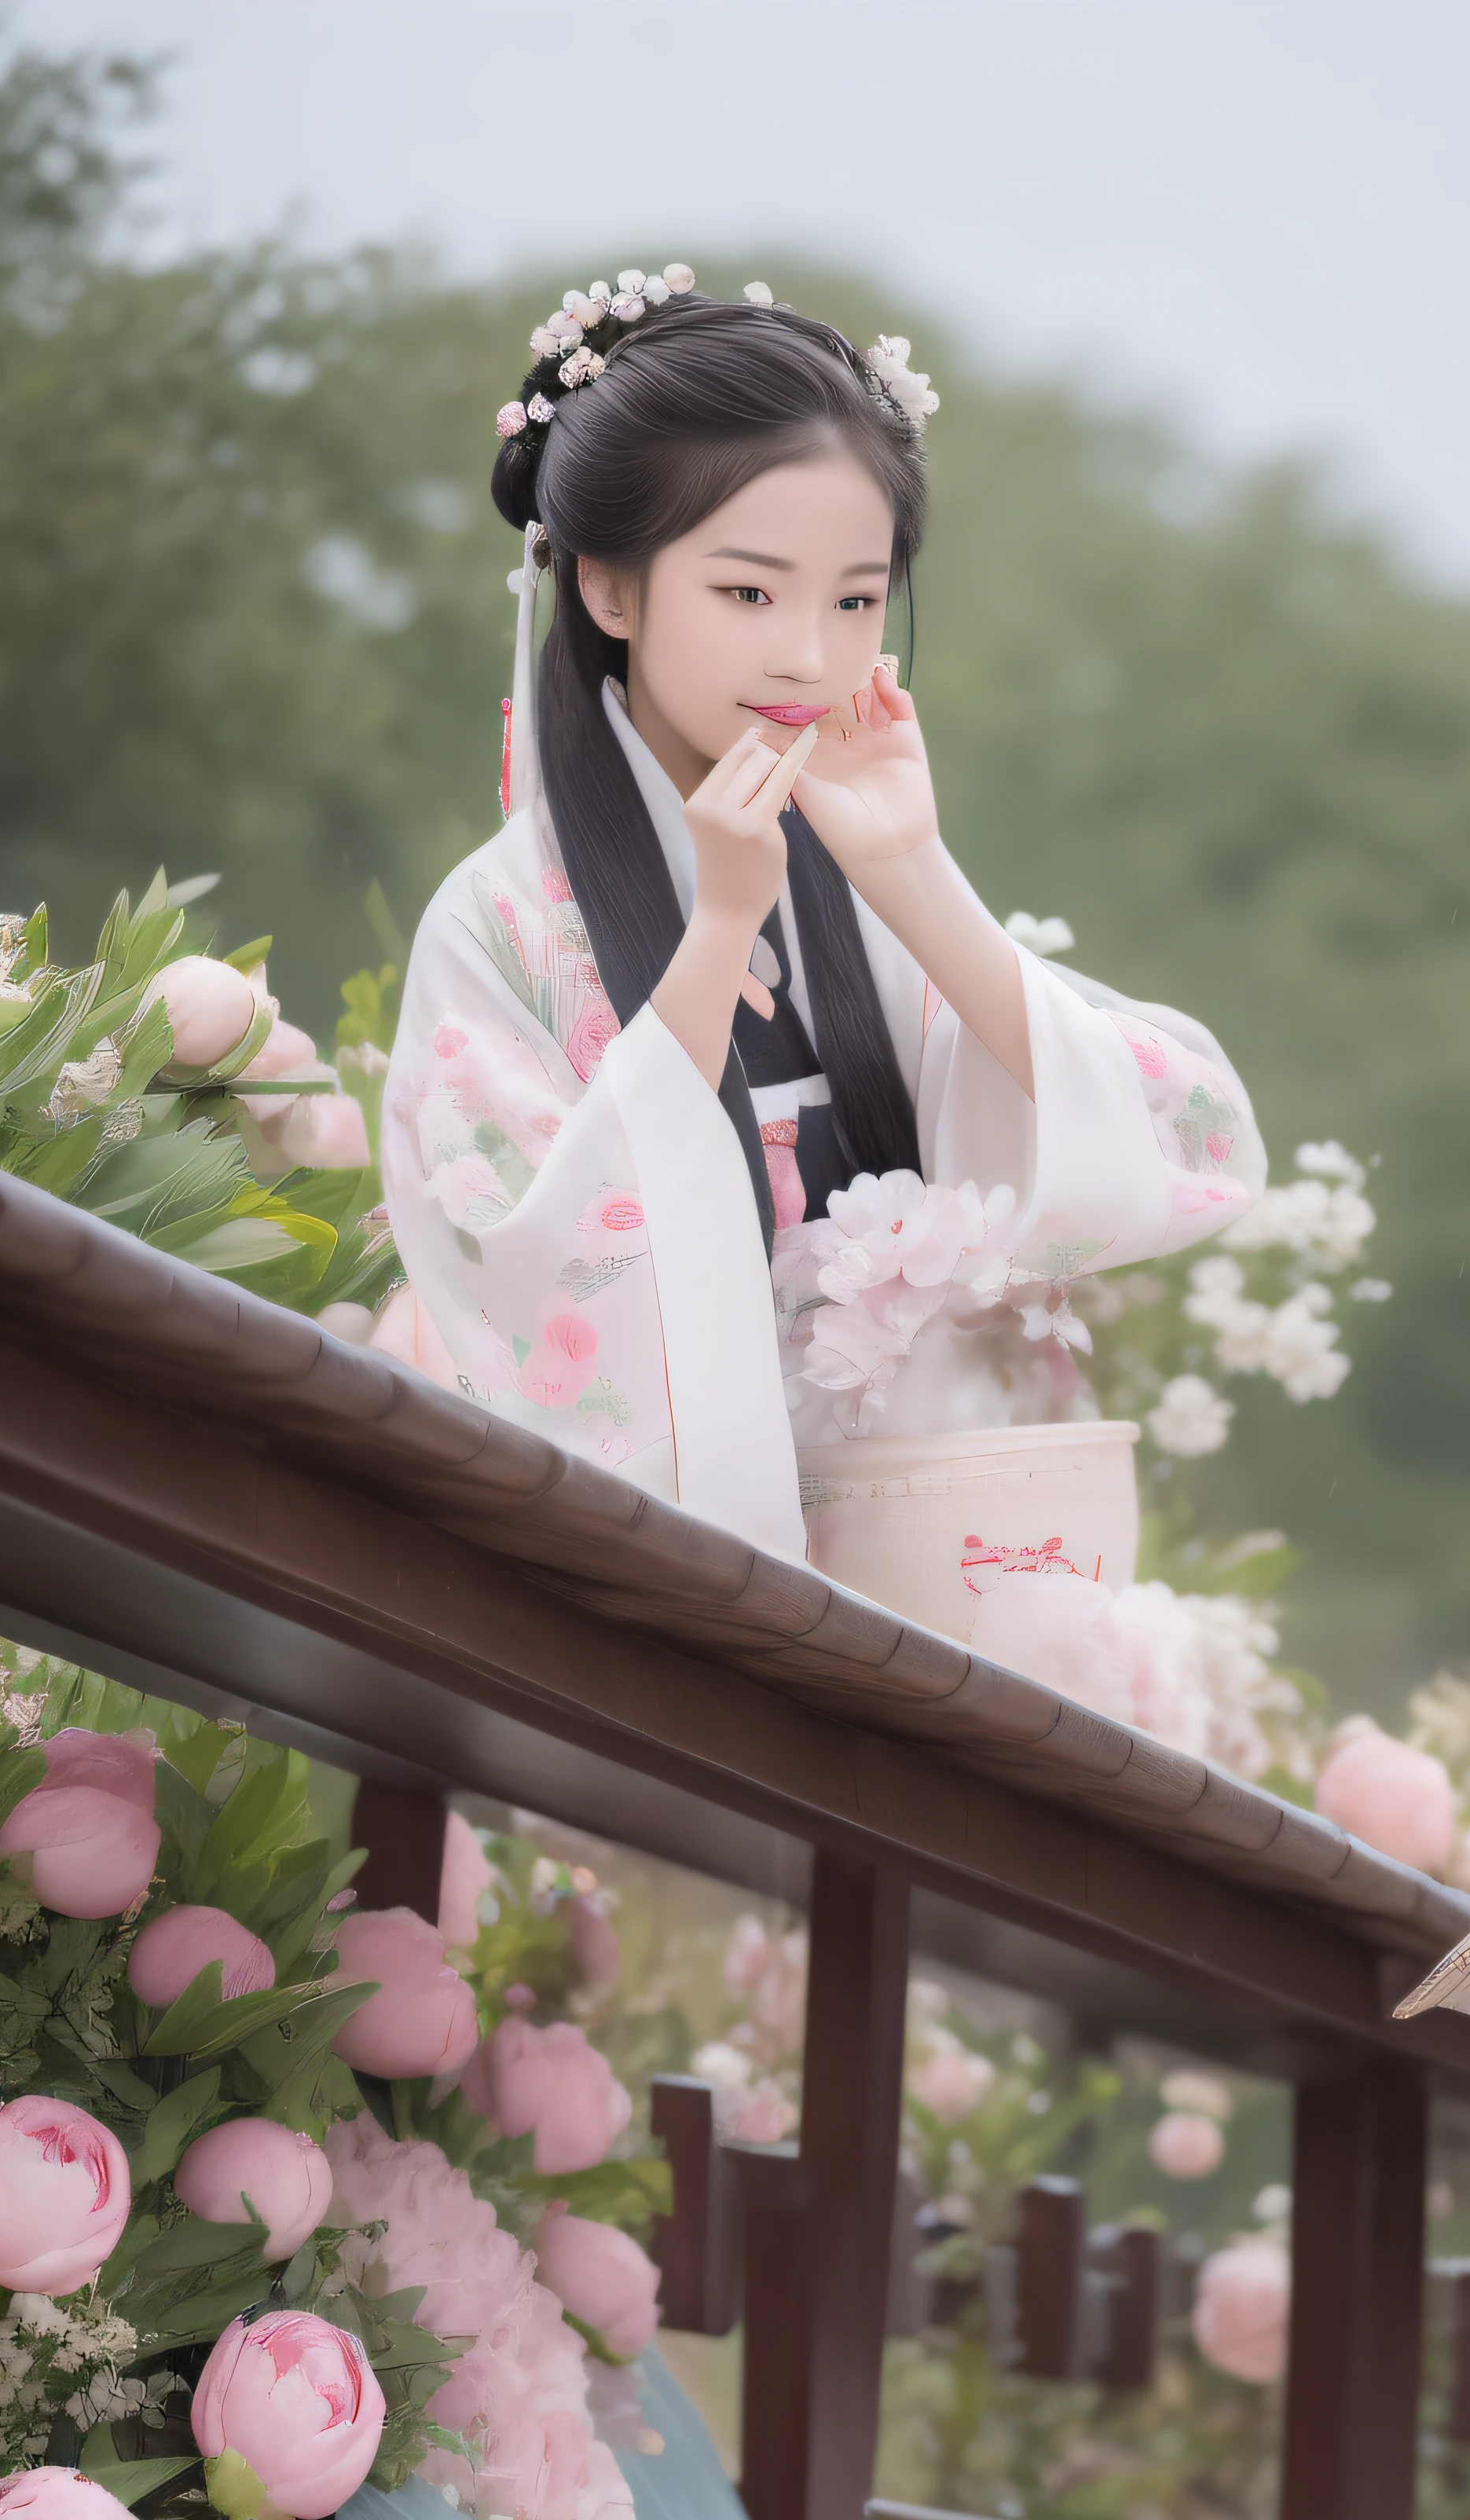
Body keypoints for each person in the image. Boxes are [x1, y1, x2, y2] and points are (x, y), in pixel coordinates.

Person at [376, 268, 1263, 1558]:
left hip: (926, 1573)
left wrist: (911, 870)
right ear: (610, 591)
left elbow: (1187, 1145)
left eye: (853, 599)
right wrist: (720, 927)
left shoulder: (856, 868)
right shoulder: (499, 923)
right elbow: (527, 1285)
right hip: (660, 1594)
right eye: (748, 592)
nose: (808, 654)